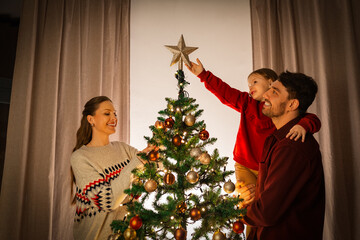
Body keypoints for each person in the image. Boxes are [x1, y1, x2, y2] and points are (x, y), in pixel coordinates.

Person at [185, 59, 321, 205]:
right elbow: (224, 91)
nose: (250, 87)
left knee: (264, 204)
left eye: (255, 82)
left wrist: (303, 126)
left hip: (267, 167)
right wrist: (203, 75)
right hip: (244, 164)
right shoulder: (246, 103)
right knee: (247, 202)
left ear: (270, 82)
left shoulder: (282, 111)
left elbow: (311, 118)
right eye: (249, 84)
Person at [243, 71, 325, 239]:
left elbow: (267, 212)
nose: (265, 94)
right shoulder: (277, 140)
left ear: (292, 105)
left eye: (274, 92)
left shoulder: (291, 147)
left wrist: (234, 210)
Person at [70, 96, 153, 240]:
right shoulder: (80, 157)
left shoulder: (122, 148)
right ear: (91, 119)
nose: (114, 118)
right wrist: (136, 163)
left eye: (115, 114)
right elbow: (108, 201)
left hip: (131, 235)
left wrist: (161, 141)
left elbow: (153, 167)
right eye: (107, 113)